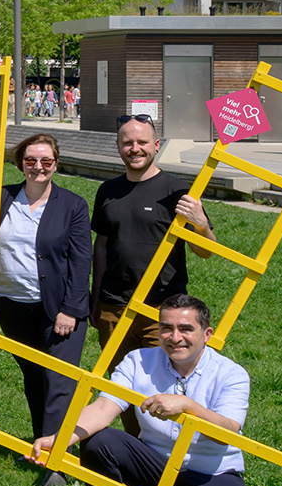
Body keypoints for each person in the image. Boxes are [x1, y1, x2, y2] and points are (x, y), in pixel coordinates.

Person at [31, 295, 252, 486]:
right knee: (99, 442)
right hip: (154, 466)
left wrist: (188, 406)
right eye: (166, 328)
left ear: (207, 334)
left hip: (211, 475)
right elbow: (104, 408)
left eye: (186, 329)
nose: (175, 337)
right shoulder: (138, 361)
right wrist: (60, 439)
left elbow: (228, 431)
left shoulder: (231, 374)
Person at [0, 133, 91, 486]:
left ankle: (58, 465)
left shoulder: (73, 205)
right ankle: (43, 444)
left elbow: (81, 263)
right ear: (20, 163)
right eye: (31, 161)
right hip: (11, 304)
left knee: (60, 381)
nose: (38, 167)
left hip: (59, 309)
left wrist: (70, 309)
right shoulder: (2, 196)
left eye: (46, 161)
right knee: (35, 377)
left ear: (56, 164)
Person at [92, 116, 215, 368]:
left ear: (156, 145)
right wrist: (96, 297)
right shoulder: (107, 190)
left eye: (142, 142)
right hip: (113, 306)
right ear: (118, 146)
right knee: (119, 381)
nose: (134, 149)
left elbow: (205, 252)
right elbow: (101, 245)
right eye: (127, 143)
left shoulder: (177, 191)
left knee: (163, 380)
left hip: (163, 309)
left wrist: (201, 224)